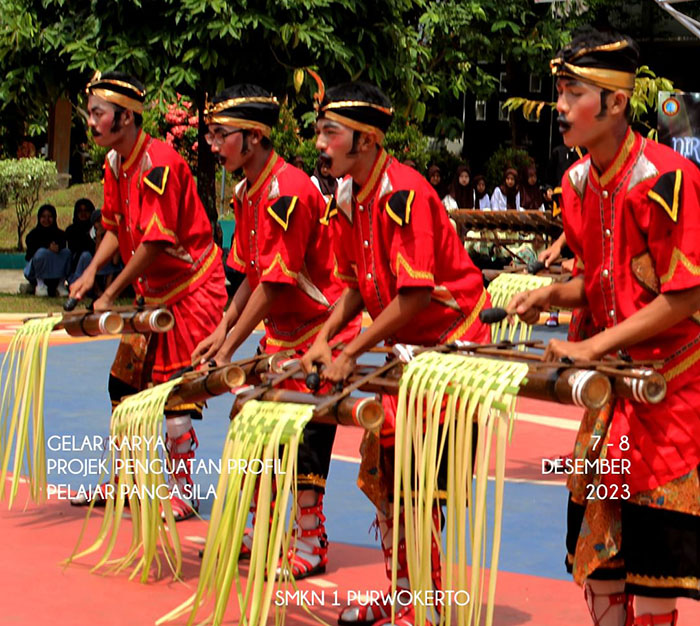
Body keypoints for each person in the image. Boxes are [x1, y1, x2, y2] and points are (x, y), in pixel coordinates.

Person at [508, 29, 700, 626]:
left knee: (656, 566)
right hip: (612, 392)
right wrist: (550, 292)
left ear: (615, 103)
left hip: (671, 392)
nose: (559, 106)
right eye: (559, 91)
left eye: (573, 92)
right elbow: (597, 278)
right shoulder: (576, 185)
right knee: (601, 562)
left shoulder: (666, 179)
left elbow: (686, 294)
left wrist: (589, 343)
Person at [304, 81, 491, 626]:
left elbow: (413, 295)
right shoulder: (345, 197)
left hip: (451, 344)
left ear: (365, 140)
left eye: (329, 132)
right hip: (404, 348)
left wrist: (349, 353)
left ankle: (423, 608)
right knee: (385, 472)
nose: (319, 141)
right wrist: (323, 340)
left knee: (415, 479)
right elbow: (353, 288)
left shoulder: (402, 194)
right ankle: (407, 594)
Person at [190, 84, 361, 579]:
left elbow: (278, 284)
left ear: (254, 136)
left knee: (307, 431)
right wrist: (221, 332)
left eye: (222, 135)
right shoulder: (248, 191)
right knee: (250, 420)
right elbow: (249, 275)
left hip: (322, 330)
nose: (213, 144)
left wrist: (230, 345)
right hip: (283, 333)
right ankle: (257, 528)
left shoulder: (288, 191)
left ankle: (310, 538)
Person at [69, 71, 228, 521]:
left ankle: (183, 490)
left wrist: (112, 293)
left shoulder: (158, 163)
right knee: (123, 384)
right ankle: (126, 478)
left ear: (125, 116)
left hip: (190, 289)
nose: (92, 122)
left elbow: (156, 242)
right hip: (154, 293)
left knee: (176, 392)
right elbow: (117, 228)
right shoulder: (115, 163)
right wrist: (92, 272)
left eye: (99, 113)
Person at [22, 204, 71, 296]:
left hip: (55, 272)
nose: (46, 220)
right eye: (43, 217)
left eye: (50, 217)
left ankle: (60, 285)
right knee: (42, 253)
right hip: (35, 272)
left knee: (66, 252)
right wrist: (47, 247)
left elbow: (62, 247)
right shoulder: (32, 235)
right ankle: (40, 284)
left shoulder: (60, 234)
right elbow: (31, 254)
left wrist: (57, 248)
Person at [65, 198, 96, 281]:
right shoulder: (71, 230)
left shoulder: (96, 229)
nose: (83, 214)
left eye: (86, 211)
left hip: (96, 268)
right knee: (85, 255)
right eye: (80, 211)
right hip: (77, 267)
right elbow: (75, 249)